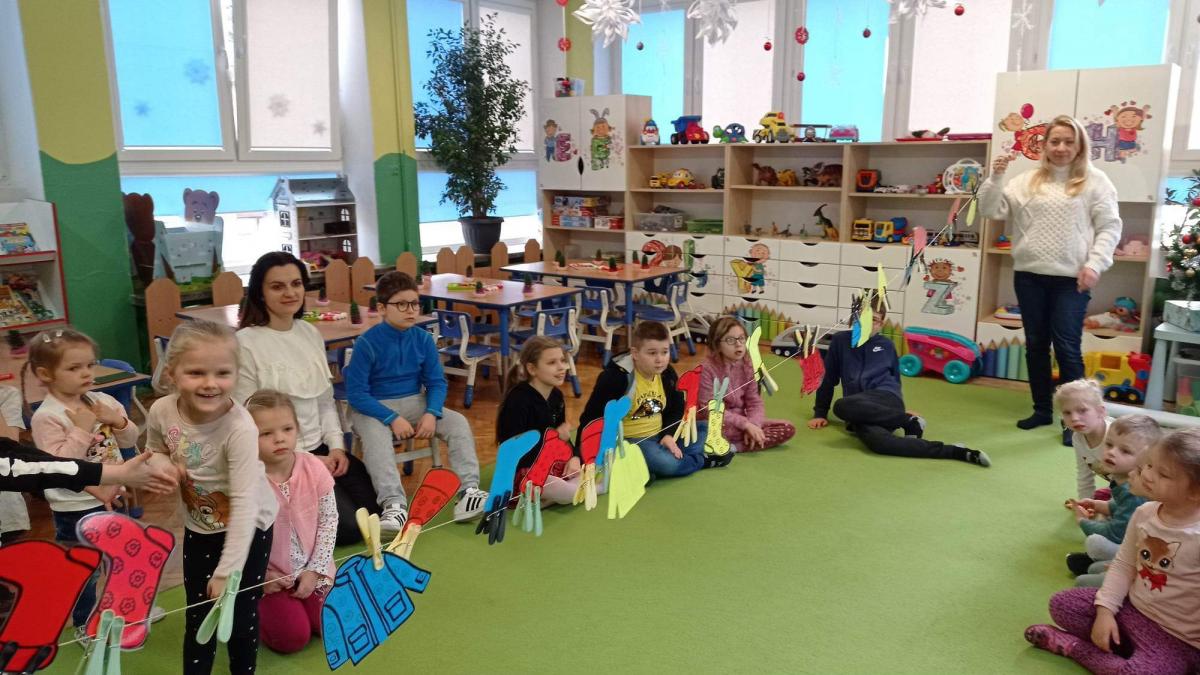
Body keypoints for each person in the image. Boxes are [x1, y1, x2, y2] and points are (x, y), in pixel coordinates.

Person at [144, 320, 277, 675]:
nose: (210, 383)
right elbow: (155, 449)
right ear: (172, 374)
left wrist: (227, 571)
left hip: (251, 526)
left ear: (236, 374)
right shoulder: (161, 411)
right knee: (198, 611)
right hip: (200, 525)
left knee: (240, 612)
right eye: (196, 372)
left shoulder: (240, 428)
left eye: (222, 373)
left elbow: (246, 506)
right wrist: (164, 465)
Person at [979, 115, 1122, 435]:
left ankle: (1077, 421)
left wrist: (1095, 264)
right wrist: (997, 176)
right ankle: (1042, 409)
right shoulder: (1025, 181)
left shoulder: (1096, 181)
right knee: (1036, 345)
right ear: (1044, 145)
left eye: (1069, 142)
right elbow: (990, 210)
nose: (1061, 148)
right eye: (1054, 141)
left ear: (1080, 146)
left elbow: (1110, 227)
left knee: (1067, 347)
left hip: (1072, 279)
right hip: (1029, 276)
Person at [1025, 429, 1200, 674]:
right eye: (1149, 465)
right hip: (1132, 610)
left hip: (1175, 639)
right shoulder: (1145, 513)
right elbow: (1124, 565)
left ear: (1195, 492)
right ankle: (1128, 653)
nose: (1147, 474)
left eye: (1162, 474)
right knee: (1062, 605)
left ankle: (1076, 648)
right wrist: (1105, 611)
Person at [235, 251, 377, 546]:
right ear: (260, 293)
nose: (290, 293)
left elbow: (325, 402)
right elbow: (249, 422)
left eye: (296, 284)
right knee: (349, 530)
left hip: (322, 450)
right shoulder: (245, 343)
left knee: (372, 512)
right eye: (277, 286)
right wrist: (305, 460)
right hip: (278, 457)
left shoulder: (309, 332)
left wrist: (337, 448)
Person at [344, 271, 486, 532]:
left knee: (458, 423)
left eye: (414, 304)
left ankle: (468, 492)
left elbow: (436, 382)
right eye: (401, 304)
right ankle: (394, 505)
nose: (410, 310)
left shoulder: (423, 339)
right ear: (382, 308)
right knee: (376, 438)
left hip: (413, 402)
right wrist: (391, 418)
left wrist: (431, 412)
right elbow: (356, 394)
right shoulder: (367, 343)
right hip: (371, 407)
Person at [27, 328, 141, 639]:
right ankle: (84, 624)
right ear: (45, 374)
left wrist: (118, 421)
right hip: (76, 508)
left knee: (124, 559)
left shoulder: (102, 400)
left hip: (114, 496)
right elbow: (58, 468)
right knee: (85, 570)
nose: (86, 373)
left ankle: (126, 610)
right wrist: (81, 429)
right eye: (74, 368)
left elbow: (130, 439)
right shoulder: (47, 416)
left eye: (90, 365)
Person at [807, 295, 990, 467]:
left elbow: (894, 379)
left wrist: (897, 409)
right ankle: (954, 450)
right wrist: (820, 413)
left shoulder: (887, 345)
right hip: (859, 406)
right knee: (878, 442)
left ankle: (911, 423)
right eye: (863, 317)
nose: (868, 323)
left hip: (885, 397)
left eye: (874, 319)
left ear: (881, 324)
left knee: (842, 406)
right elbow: (828, 378)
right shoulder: (840, 341)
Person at [246, 390, 335, 654]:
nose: (280, 438)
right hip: (269, 580)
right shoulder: (244, 481)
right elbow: (235, 539)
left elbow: (329, 521)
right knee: (292, 638)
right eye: (266, 433)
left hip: (313, 570)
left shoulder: (313, 467)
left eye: (287, 429)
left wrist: (315, 570)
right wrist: (261, 578)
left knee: (331, 622)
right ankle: (252, 609)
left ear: (297, 428)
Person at [580, 321, 725, 479]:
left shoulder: (667, 373)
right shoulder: (616, 378)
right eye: (652, 353)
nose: (660, 359)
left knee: (706, 428)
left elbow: (677, 408)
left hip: (661, 434)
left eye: (665, 352)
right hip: (632, 442)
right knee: (664, 462)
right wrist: (579, 457)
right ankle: (702, 460)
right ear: (635, 353)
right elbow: (590, 418)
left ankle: (648, 470)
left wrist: (668, 435)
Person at [1064, 415, 1159, 586]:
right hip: (1132, 538)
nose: (1112, 452)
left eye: (1125, 451)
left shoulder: (1135, 491)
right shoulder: (1123, 479)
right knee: (1102, 503)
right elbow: (1123, 507)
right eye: (1109, 444)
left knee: (1095, 543)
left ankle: (1112, 572)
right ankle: (1100, 565)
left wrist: (1083, 522)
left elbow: (1115, 533)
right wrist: (1101, 506)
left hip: (1142, 551)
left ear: (1145, 461)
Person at [496, 336, 583, 505]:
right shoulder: (518, 400)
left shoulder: (556, 396)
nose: (561, 367)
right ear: (532, 368)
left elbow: (564, 440)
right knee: (561, 488)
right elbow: (512, 452)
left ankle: (552, 497)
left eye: (562, 361)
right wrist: (553, 439)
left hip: (547, 464)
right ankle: (584, 491)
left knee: (582, 466)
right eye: (552, 363)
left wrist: (574, 458)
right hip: (522, 470)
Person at [697, 317, 795, 453]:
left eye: (741, 338)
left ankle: (735, 447)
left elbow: (754, 402)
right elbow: (708, 408)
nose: (738, 344)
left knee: (787, 427)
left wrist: (754, 425)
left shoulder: (748, 365)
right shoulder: (706, 369)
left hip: (742, 423)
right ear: (717, 344)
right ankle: (730, 444)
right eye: (730, 340)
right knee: (703, 432)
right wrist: (745, 425)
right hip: (716, 423)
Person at [1057, 379, 1116, 502]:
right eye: (1067, 413)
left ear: (1101, 411)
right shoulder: (1077, 438)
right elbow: (1084, 475)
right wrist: (1085, 503)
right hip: (1118, 484)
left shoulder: (1115, 435)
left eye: (1082, 410)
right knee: (1097, 498)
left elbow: (1133, 477)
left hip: (1142, 488)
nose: (1074, 418)